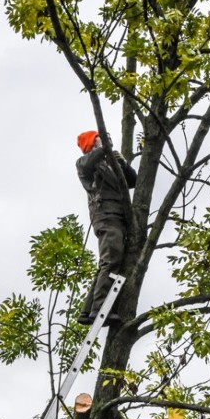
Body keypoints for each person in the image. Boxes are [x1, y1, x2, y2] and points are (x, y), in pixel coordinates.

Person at [75, 129, 137, 326]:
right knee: (112, 260)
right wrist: (104, 150)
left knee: (107, 262)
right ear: (92, 144)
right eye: (101, 140)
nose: (106, 142)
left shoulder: (109, 164)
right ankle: (100, 309)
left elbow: (133, 181)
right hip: (106, 215)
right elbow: (89, 161)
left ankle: (87, 311)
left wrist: (122, 164)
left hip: (117, 216)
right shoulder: (86, 164)